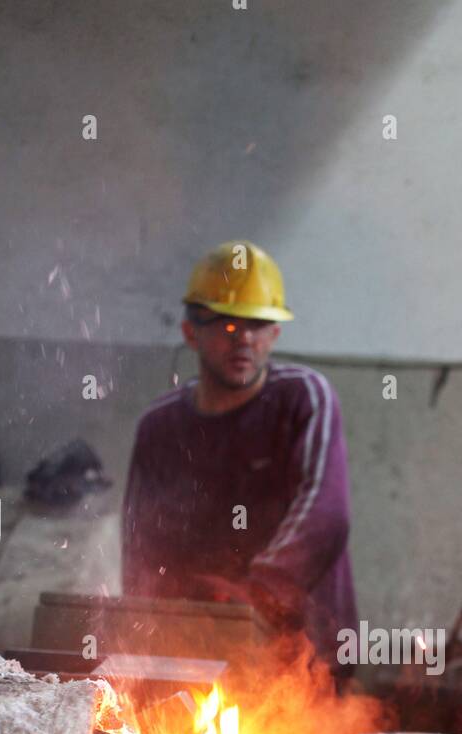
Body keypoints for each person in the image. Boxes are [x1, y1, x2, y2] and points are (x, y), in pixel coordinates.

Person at [122, 240, 357, 664]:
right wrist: (146, 632)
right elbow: (143, 547)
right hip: (199, 651)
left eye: (259, 326)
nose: (245, 339)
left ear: (276, 334)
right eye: (229, 326)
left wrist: (258, 593)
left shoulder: (303, 398)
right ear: (191, 332)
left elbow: (326, 514)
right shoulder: (160, 428)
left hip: (302, 653)